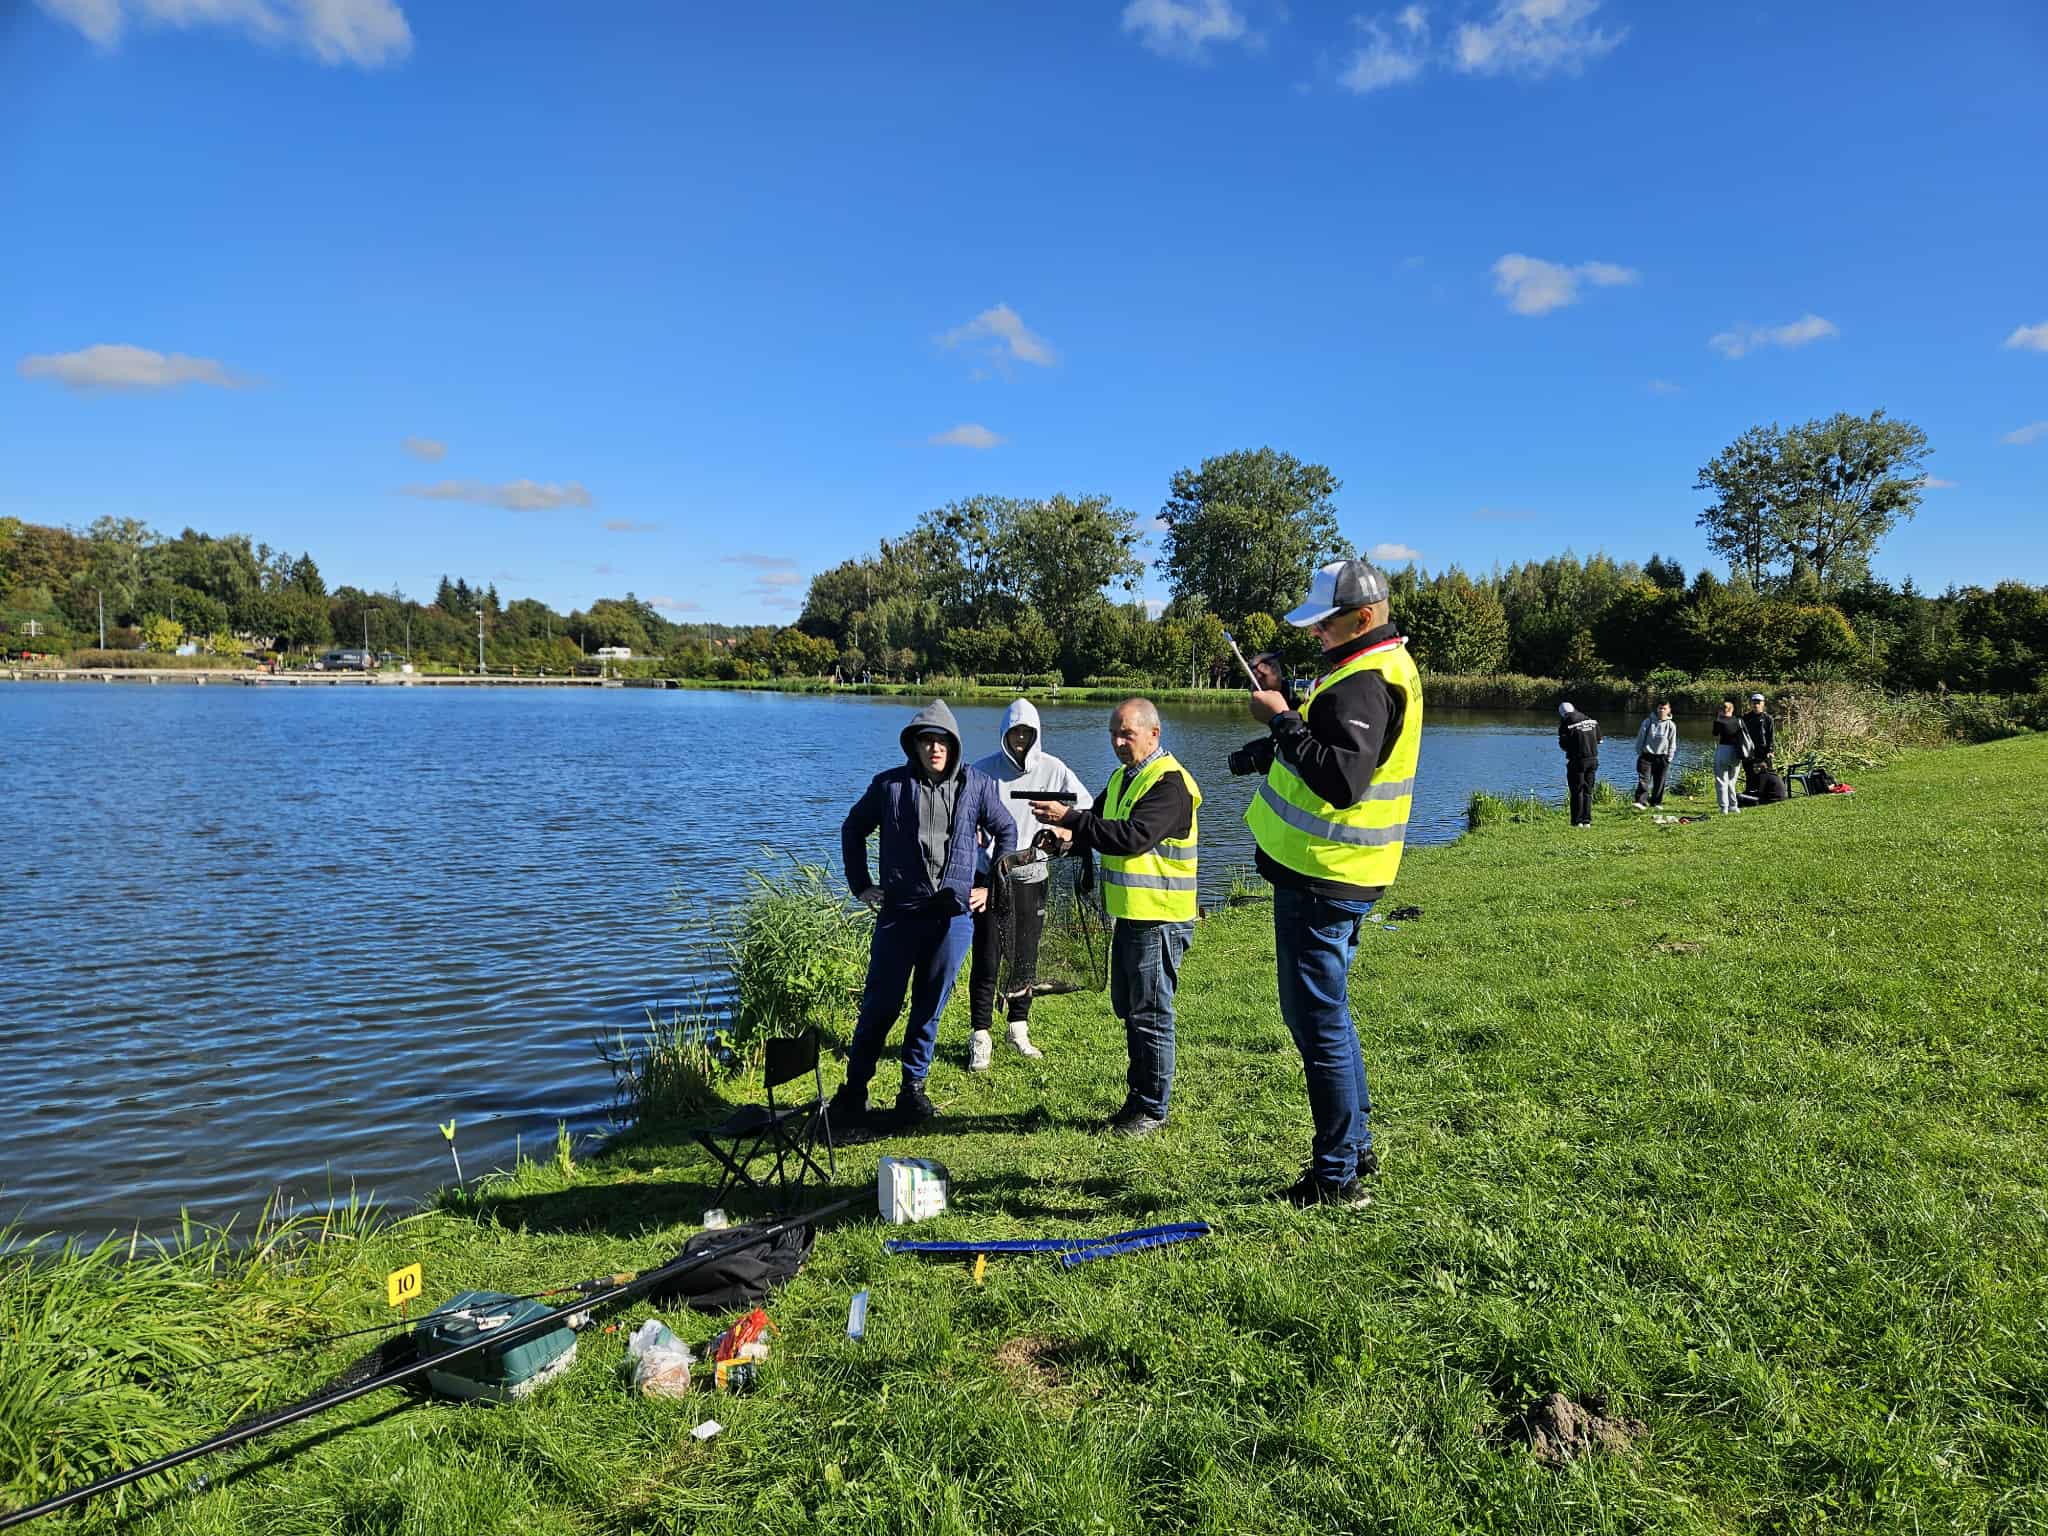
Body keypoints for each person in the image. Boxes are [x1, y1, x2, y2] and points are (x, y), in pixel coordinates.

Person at [1234, 558, 1420, 1209]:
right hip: (1341, 873)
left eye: (1324, 622)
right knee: (1329, 1015)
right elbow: (1336, 735)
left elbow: (1342, 781)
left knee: (1317, 1024)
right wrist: (1284, 714)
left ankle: (1337, 1177)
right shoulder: (1375, 665)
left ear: (1363, 617)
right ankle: (1355, 1149)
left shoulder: (1365, 681)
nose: (1314, 632)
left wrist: (1281, 720)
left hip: (1324, 877)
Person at [829, 701, 1015, 1133]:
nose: (935, 748)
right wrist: (861, 885)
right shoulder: (889, 786)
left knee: (929, 1006)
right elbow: (853, 829)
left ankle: (912, 1089)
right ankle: (854, 1090)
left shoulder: (977, 785)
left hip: (952, 918)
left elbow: (1007, 830)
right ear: (913, 745)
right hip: (900, 915)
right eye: (926, 740)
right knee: (881, 1005)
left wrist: (992, 886)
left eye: (942, 741)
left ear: (954, 745)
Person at [1028, 698, 1199, 1139]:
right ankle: (1138, 1100)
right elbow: (1098, 826)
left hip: (1159, 918)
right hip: (1130, 915)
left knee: (1150, 1013)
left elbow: (1132, 837)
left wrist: (1071, 818)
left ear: (1154, 734)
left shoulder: (1170, 784)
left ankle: (1152, 1110)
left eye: (1127, 734)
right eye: (1113, 734)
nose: (1118, 743)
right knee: (1131, 1010)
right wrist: (1066, 838)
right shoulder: (1124, 778)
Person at [966, 698, 1092, 1071]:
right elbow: (961, 816)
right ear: (1004, 733)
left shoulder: (1054, 769)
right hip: (989, 878)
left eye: (1027, 733)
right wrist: (971, 830)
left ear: (1036, 734)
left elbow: (1085, 808)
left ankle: (1017, 1027)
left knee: (1025, 956)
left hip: (1033, 875)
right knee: (987, 957)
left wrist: (1061, 830)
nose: (1020, 739)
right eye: (1014, 733)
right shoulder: (982, 771)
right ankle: (980, 1035)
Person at [1557, 701, 1602, 828]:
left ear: (1562, 713)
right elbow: (1599, 740)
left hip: (1577, 761)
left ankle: (1577, 821)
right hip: (1593, 760)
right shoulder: (1592, 721)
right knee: (1588, 791)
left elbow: (1564, 746)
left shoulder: (1567, 724)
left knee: (1577, 791)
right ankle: (1587, 821)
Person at [1632, 700, 1677, 810]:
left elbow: (1672, 743)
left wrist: (1669, 758)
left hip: (1662, 757)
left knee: (1660, 781)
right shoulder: (1648, 722)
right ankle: (1641, 802)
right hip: (1646, 756)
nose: (1662, 710)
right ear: (1657, 709)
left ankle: (1656, 802)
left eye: (1664, 708)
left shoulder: (1671, 725)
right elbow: (1640, 738)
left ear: (1669, 710)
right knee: (1644, 780)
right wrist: (1640, 752)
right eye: (1660, 708)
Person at [1710, 699, 1747, 815]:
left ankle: (1723, 808)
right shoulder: (1739, 721)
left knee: (1721, 780)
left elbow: (1715, 733)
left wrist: (1718, 718)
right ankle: (1734, 806)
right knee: (1732, 781)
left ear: (1721, 710)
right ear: (1732, 710)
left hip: (1724, 750)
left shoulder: (1719, 721)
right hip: (1737, 751)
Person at [1742, 692, 1776, 794]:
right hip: (1749, 751)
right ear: (1751, 704)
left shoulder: (1768, 718)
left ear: (1763, 703)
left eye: (1758, 702)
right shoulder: (1745, 718)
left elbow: (1771, 736)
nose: (1756, 705)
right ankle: (1749, 793)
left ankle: (1766, 793)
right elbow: (1741, 735)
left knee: (1766, 772)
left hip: (1763, 751)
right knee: (1749, 773)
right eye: (1754, 702)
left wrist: (1770, 750)